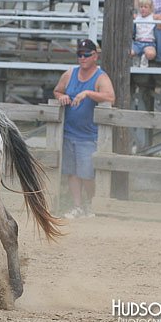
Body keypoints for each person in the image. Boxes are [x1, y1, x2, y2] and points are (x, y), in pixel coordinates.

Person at [52, 39, 116, 219]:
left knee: (87, 174)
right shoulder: (69, 74)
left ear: (95, 56)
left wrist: (88, 93)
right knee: (72, 172)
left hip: (89, 135)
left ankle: (91, 203)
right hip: (69, 133)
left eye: (86, 54)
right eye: (79, 54)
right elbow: (57, 91)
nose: (82, 58)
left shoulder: (100, 77)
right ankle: (77, 206)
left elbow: (110, 97)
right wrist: (62, 97)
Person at [130, 0, 159, 68]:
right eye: (141, 7)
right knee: (129, 52)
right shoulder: (137, 17)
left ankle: (144, 58)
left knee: (150, 54)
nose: (143, 9)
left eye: (145, 7)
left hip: (149, 43)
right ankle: (136, 57)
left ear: (151, 8)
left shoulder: (153, 17)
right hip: (138, 42)